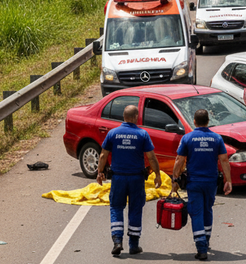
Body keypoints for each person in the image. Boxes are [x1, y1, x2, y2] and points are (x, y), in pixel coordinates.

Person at [96, 105, 161, 256]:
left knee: (116, 207)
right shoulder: (142, 134)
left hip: (118, 177)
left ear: (124, 117)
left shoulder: (113, 133)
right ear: (135, 117)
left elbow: (103, 155)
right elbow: (151, 157)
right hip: (136, 178)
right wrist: (157, 174)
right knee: (135, 208)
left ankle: (117, 241)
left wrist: (100, 172)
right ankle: (134, 245)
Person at [171, 109, 232, 261]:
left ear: (194, 121)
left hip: (194, 182)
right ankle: (206, 239)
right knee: (207, 209)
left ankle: (201, 247)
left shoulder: (187, 138)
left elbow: (179, 159)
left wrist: (175, 179)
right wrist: (228, 180)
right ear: (208, 121)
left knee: (196, 212)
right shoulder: (216, 138)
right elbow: (224, 160)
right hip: (211, 182)